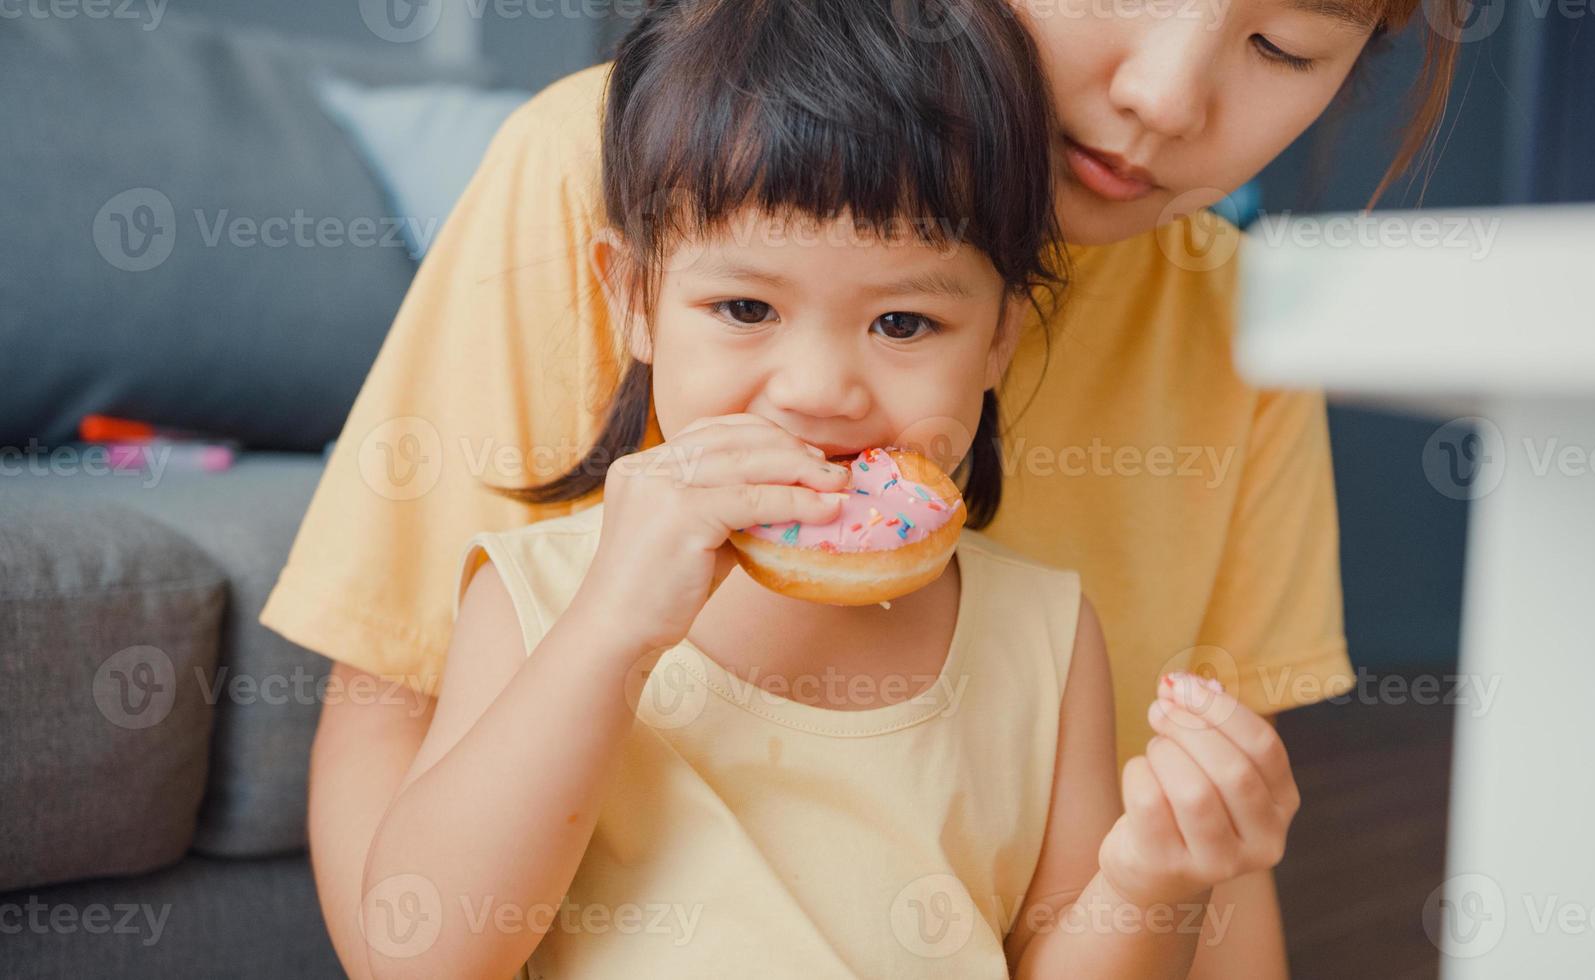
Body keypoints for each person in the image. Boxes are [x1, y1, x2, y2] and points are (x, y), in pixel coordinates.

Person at [263, 1, 1461, 976]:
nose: (1165, 96)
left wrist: (1161, 873)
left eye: (1280, 48)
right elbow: (399, 782)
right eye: (743, 307)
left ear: (1002, 336)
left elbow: (1189, 880)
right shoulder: (603, 179)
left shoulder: (1059, 610)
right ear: (629, 292)